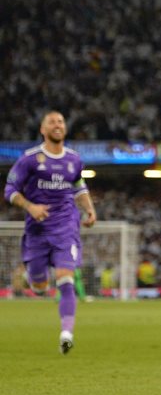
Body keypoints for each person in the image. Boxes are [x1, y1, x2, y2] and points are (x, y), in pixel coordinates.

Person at [3, 111, 96, 354]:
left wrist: (89, 209)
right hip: (37, 230)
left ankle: (66, 334)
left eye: (61, 121)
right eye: (52, 122)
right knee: (40, 286)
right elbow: (10, 189)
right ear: (42, 130)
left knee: (66, 277)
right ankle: (35, 281)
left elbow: (78, 185)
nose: (58, 125)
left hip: (66, 225)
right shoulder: (30, 159)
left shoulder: (74, 159)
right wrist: (30, 206)